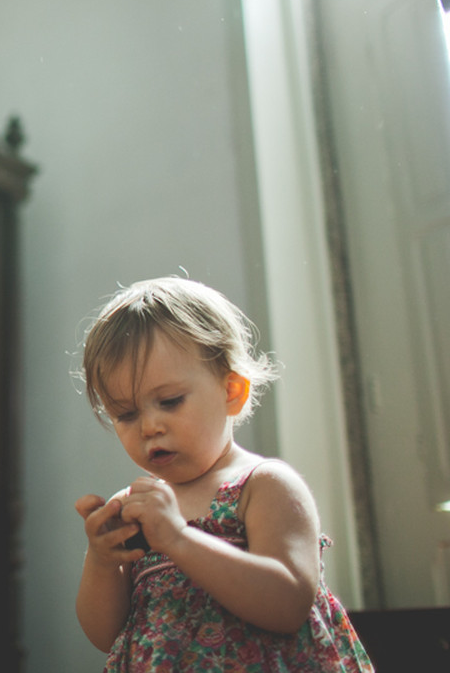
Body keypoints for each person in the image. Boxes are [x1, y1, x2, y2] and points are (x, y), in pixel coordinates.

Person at [73, 277, 374, 671]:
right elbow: (105, 635)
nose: (149, 427)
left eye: (169, 401)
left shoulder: (264, 486)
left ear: (232, 391)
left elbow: (288, 605)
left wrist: (179, 539)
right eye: (126, 415)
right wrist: (100, 559)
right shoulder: (133, 507)